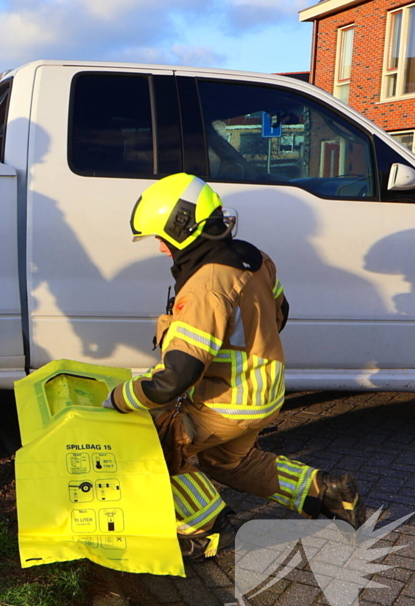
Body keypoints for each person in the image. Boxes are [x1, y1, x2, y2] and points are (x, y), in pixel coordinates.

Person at [103, 173, 364, 562]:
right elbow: (282, 313)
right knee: (230, 462)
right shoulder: (253, 257)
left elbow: (177, 375)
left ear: (182, 228)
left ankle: (206, 531)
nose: (159, 249)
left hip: (226, 402)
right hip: (264, 391)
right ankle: (326, 491)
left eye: (161, 237)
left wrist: (119, 399)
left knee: (152, 448)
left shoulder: (205, 286)